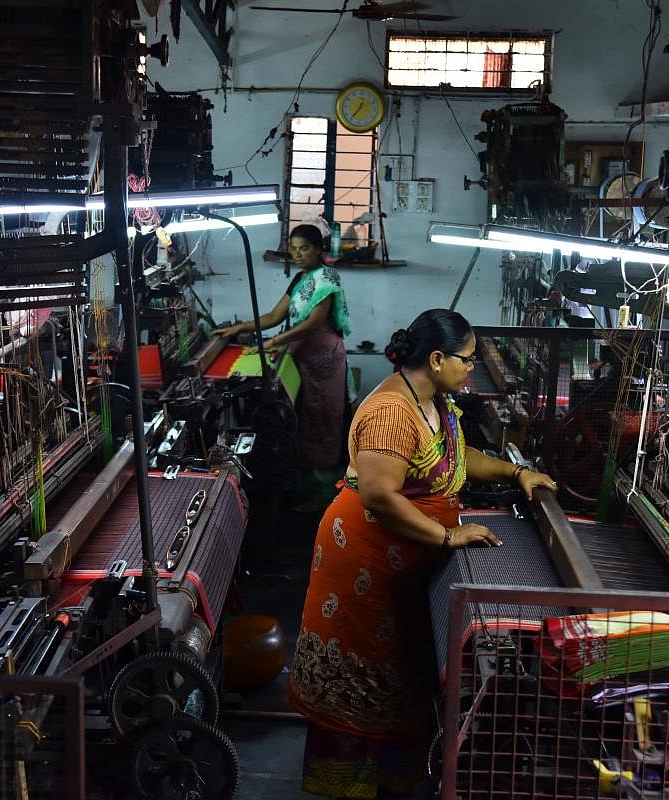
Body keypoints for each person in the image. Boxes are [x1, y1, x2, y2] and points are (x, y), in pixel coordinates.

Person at [286, 308, 557, 799]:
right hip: (366, 562)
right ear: (436, 359)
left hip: (404, 563)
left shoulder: (433, 401)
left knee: (398, 671)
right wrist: (448, 537)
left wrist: (516, 473)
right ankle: (352, 786)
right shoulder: (391, 412)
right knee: (364, 675)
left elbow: (457, 456)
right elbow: (379, 496)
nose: (471, 368)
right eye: (466, 359)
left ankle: (391, 779)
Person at [215, 223, 352, 476]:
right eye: (293, 249)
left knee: (323, 414)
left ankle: (325, 475)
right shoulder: (300, 279)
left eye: (304, 248)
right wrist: (240, 327)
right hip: (303, 352)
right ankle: (305, 469)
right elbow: (275, 315)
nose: (297, 254)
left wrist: (274, 342)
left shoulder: (327, 278)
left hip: (323, 357)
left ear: (318, 249)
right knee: (305, 413)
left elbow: (314, 323)